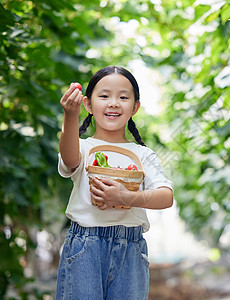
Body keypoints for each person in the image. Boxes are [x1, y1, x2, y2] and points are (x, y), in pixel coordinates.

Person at [56, 65, 173, 299]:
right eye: (104, 96)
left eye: (123, 97)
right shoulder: (83, 147)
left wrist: (125, 197)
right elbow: (70, 160)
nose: (113, 103)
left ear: (135, 106)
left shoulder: (142, 154)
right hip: (84, 246)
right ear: (88, 104)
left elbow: (165, 196)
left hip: (130, 248)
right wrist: (70, 116)